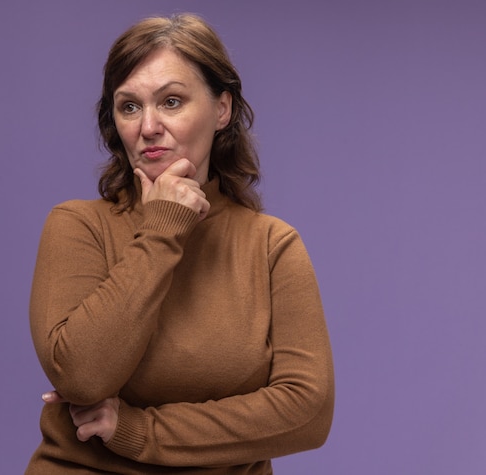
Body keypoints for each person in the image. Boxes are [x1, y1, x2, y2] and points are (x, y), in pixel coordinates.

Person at [25, 13, 334, 475]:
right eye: (129, 106)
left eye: (171, 101)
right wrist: (163, 227)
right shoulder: (77, 226)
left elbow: (307, 412)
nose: (148, 126)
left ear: (222, 110)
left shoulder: (271, 245)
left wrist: (138, 430)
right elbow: (83, 376)